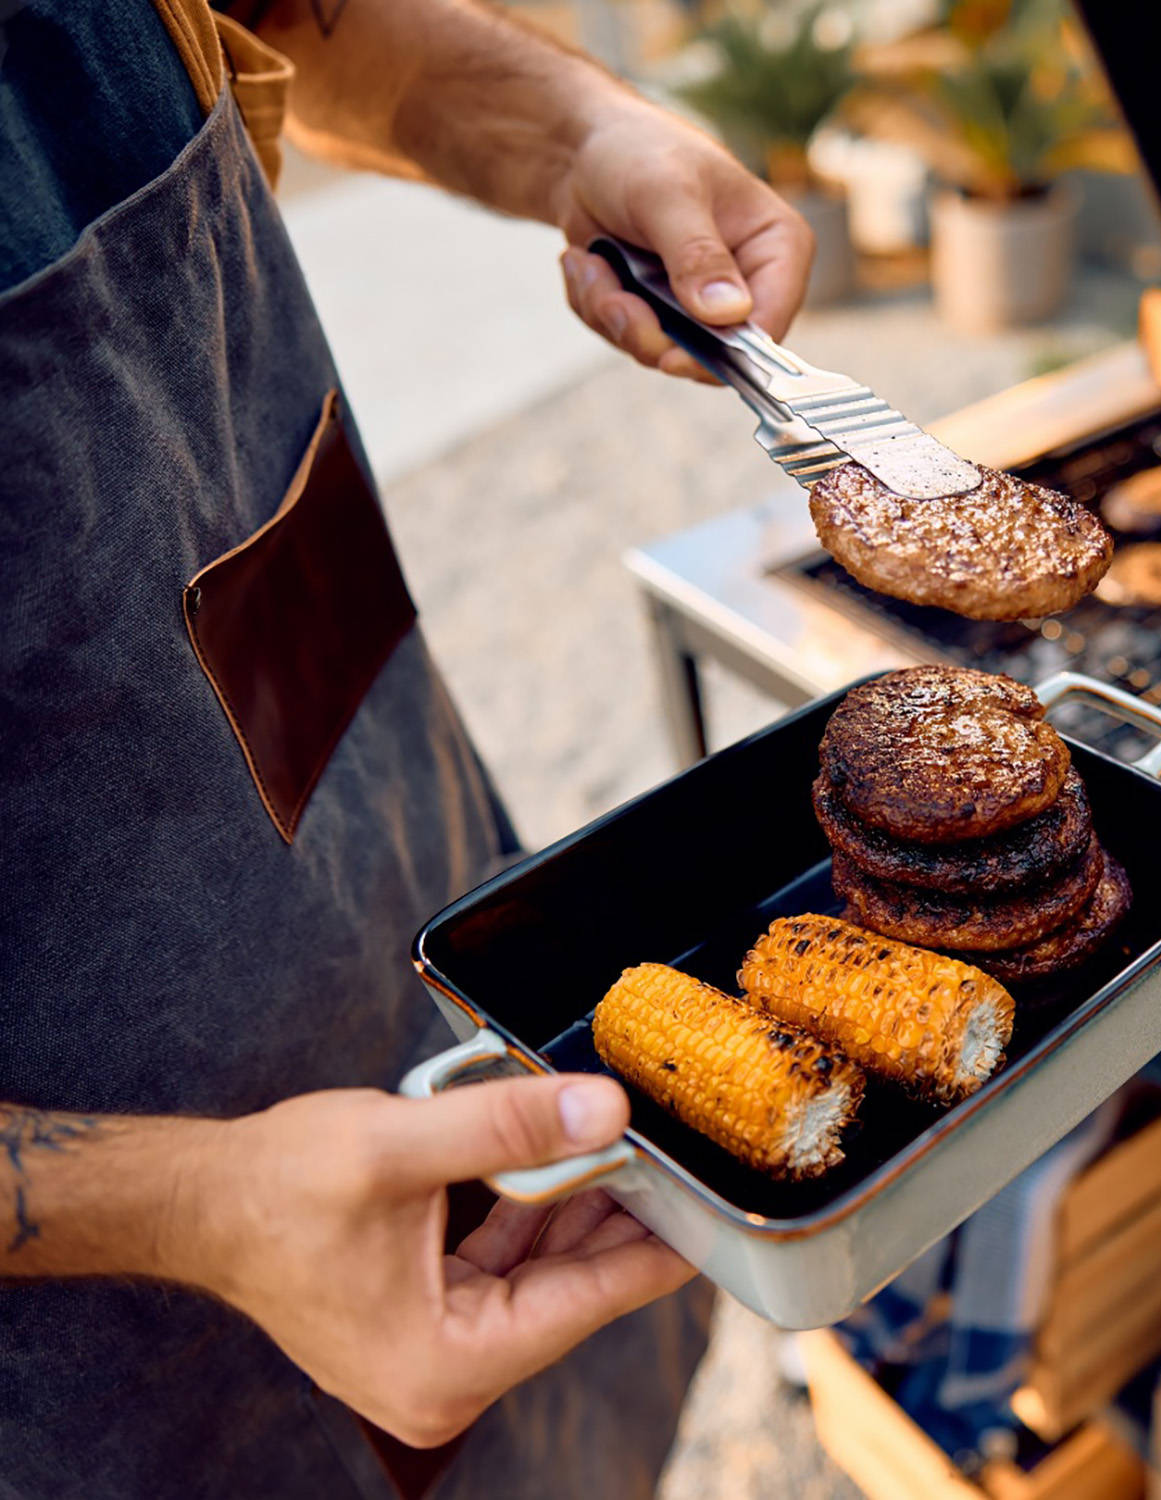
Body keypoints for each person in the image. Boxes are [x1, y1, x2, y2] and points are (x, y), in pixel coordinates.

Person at [0, 1, 814, 1496]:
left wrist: (583, 128)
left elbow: (302, 19)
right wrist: (178, 1203)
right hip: (97, 1347)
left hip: (385, 852)